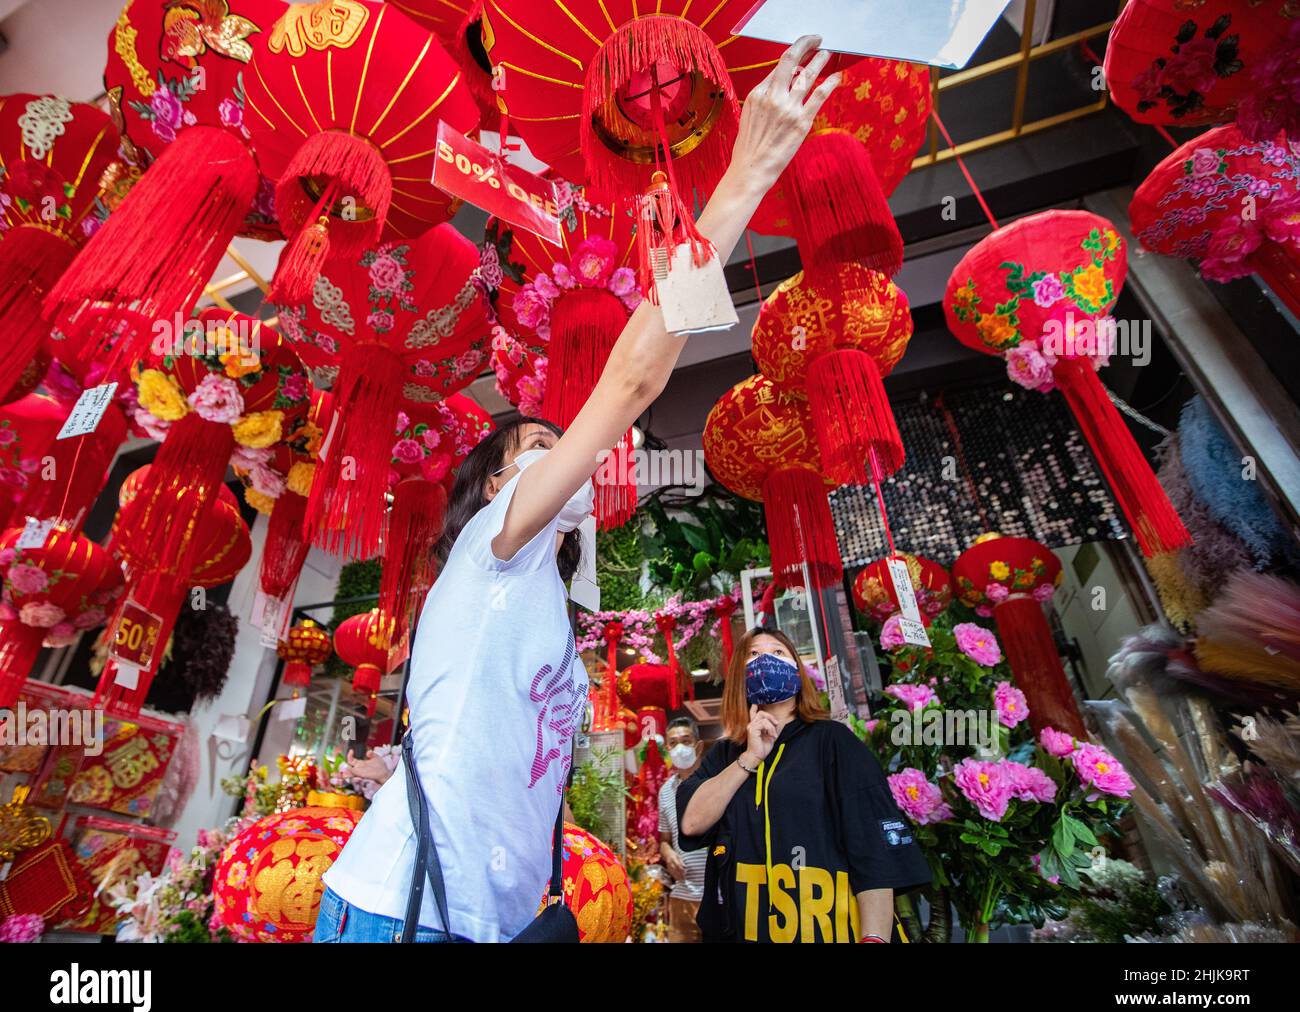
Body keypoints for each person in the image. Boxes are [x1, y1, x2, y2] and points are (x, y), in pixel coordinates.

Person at [314, 36, 842, 943]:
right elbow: (632, 384)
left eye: (565, 449)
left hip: (494, 918)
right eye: (533, 449)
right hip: (408, 910)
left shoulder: (537, 598)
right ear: (492, 489)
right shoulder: (492, 546)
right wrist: (745, 173)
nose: (563, 458)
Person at [677, 628, 931, 943]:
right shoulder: (726, 754)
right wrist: (751, 757)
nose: (767, 659)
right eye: (754, 655)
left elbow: (874, 851)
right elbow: (691, 822)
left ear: (797, 670)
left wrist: (874, 937)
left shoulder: (834, 741)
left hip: (830, 930)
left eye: (779, 653)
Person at [658, 716, 708, 942]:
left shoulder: (715, 782)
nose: (679, 747)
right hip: (681, 896)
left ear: (699, 746)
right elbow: (665, 839)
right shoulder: (666, 791)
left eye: (686, 741)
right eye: (673, 742)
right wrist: (668, 854)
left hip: (717, 895)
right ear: (667, 748)